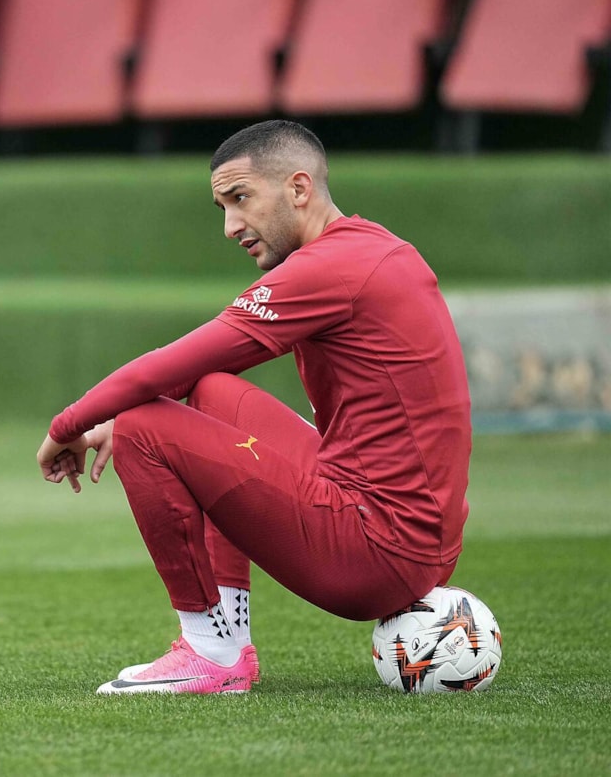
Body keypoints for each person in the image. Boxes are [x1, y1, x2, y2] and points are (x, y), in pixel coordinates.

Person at [37, 120, 472, 695]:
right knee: (211, 392)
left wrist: (69, 425)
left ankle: (210, 653)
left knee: (142, 423)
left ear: (299, 188)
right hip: (422, 541)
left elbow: (167, 365)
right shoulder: (372, 247)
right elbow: (191, 376)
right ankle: (230, 639)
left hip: (378, 554)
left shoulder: (326, 269)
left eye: (240, 199)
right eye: (222, 207)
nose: (230, 226)